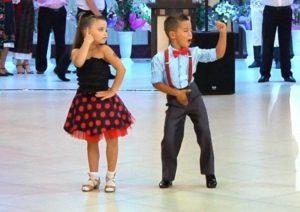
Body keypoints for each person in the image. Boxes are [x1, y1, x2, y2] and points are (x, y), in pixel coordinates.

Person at [151, 14, 227, 189]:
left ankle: (210, 173)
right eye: (185, 31)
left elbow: (218, 53)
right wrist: (176, 93)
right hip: (175, 99)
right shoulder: (160, 58)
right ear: (172, 35)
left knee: (204, 133)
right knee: (169, 139)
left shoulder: (195, 52)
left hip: (193, 95)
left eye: (191, 30)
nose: (190, 34)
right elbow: (157, 82)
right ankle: (167, 176)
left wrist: (222, 33)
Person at [63, 15, 134, 193]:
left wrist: (113, 91)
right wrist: (87, 41)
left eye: (106, 30)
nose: (105, 34)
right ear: (87, 31)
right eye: (100, 30)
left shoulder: (105, 51)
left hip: (105, 101)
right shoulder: (76, 52)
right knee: (92, 141)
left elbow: (121, 69)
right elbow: (79, 62)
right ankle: (93, 176)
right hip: (85, 102)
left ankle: (111, 176)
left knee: (112, 139)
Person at [54, 0, 115, 81]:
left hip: (97, 11)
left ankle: (105, 71)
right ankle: (60, 69)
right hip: (89, 13)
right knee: (81, 43)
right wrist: (97, 14)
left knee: (101, 42)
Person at [258, 0, 295, 83]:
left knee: (285, 42)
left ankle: (287, 73)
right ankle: (265, 73)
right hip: (269, 9)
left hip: (286, 8)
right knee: (267, 41)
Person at [35, 0, 67, 74]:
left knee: (60, 40)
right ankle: (40, 67)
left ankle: (61, 67)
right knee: (42, 39)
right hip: (45, 10)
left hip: (61, 9)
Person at [248, 0, 281, 69]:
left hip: (270, 4)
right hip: (255, 5)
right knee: (256, 32)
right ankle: (257, 60)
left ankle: (277, 59)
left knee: (275, 32)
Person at [13, 0, 34, 74]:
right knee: (19, 31)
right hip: (18, 4)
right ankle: (18, 62)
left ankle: (26, 61)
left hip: (29, 4)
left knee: (28, 32)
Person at [0, 0, 17, 77]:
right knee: (2, 37)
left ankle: (2, 66)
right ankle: (1, 67)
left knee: (8, 37)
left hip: (8, 4)